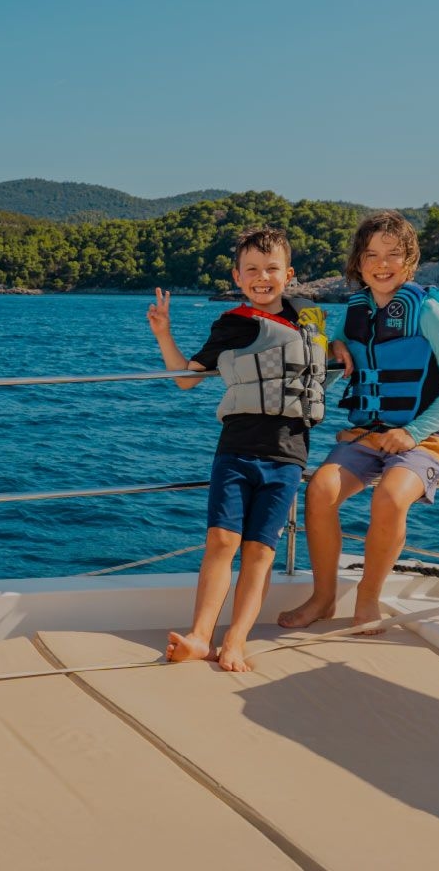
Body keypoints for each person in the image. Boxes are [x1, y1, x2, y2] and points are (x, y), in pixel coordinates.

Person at [147, 226, 330, 671]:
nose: (261, 277)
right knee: (222, 541)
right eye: (251, 270)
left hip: (288, 455)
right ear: (237, 276)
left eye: (271, 269)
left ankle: (237, 640)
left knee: (260, 551)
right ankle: (199, 636)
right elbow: (187, 378)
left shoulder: (313, 319)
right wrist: (163, 333)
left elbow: (330, 355)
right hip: (236, 450)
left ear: (289, 274)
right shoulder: (231, 324)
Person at [278, 210, 439, 632]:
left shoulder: (428, 312)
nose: (382, 264)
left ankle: (368, 598)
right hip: (365, 434)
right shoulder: (355, 311)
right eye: (371, 255)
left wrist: (412, 432)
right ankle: (323, 598)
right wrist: (333, 345)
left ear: (410, 260)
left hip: (424, 437)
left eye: (393, 255)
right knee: (321, 489)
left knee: (389, 497)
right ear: (358, 264)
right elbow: (319, 332)